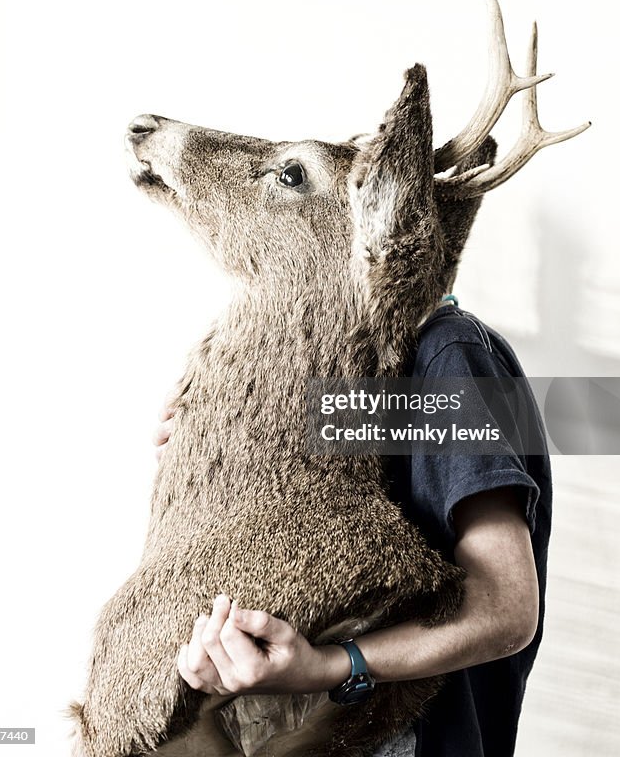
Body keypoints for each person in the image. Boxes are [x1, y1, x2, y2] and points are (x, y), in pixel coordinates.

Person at [154, 299, 551, 757]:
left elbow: (506, 609)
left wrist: (328, 667)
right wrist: (214, 455)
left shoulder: (444, 353)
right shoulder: (304, 362)